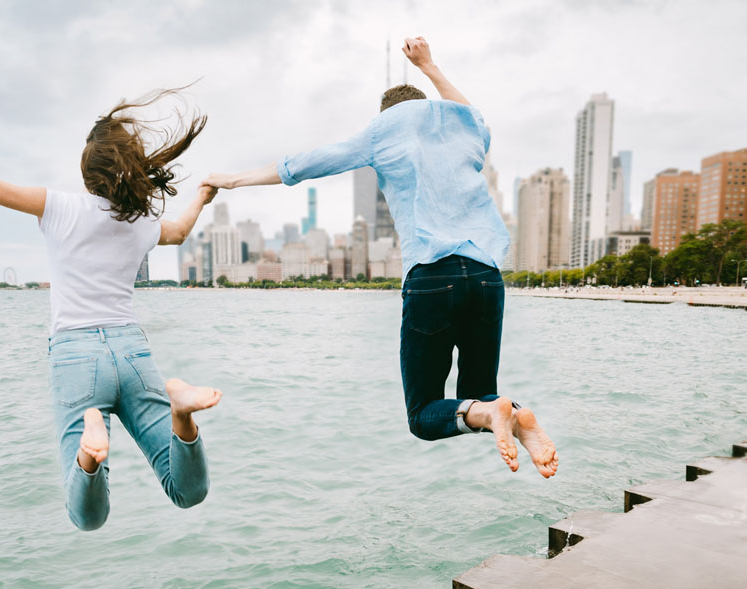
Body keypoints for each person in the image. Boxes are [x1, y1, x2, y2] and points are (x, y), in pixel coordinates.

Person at [0, 81, 223, 529]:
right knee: (188, 492)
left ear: (87, 172)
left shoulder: (59, 207)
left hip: (76, 356)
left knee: (88, 518)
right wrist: (202, 196)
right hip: (133, 352)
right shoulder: (142, 221)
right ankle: (182, 413)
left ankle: (90, 457)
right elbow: (182, 231)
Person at [203, 37, 557, 478]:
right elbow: (470, 112)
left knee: (424, 413)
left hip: (432, 277)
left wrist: (233, 180)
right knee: (481, 396)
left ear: (387, 114)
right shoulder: (464, 127)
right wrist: (429, 65)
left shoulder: (384, 129)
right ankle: (515, 416)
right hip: (487, 277)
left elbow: (307, 163)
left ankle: (502, 415)